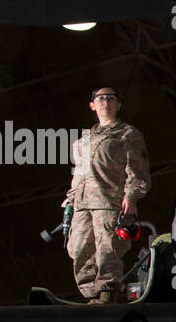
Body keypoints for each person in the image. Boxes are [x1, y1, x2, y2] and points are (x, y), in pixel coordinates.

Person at [64, 87, 151, 304]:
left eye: (111, 99)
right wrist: (70, 201)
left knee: (107, 248)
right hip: (82, 203)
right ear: (93, 105)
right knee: (78, 247)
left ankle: (106, 291)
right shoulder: (82, 142)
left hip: (109, 201)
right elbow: (79, 174)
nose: (106, 102)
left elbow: (138, 169)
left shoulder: (127, 134)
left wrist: (131, 196)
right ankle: (90, 293)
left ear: (118, 105)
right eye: (101, 99)